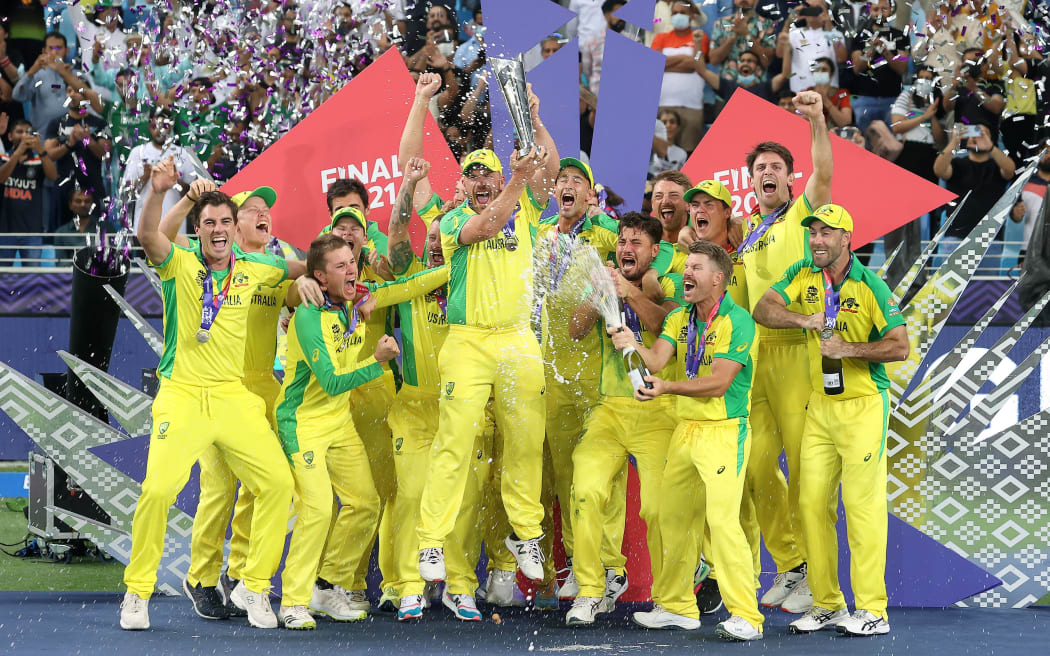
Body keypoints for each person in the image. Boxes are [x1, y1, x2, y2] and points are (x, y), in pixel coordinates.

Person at [121, 159, 295, 631]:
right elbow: (149, 236)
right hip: (182, 395)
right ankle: (137, 593)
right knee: (157, 490)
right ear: (197, 230)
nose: (218, 230)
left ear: (234, 230)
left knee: (279, 484)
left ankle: (254, 587)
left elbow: (302, 269)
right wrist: (167, 194)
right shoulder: (181, 265)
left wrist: (317, 279)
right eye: (209, 223)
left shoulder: (257, 271)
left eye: (225, 222)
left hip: (232, 397)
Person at [153, 182, 324, 621]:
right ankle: (202, 576)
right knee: (220, 487)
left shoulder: (271, 264)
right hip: (214, 385)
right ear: (230, 224)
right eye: (252, 209)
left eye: (268, 209)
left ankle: (244, 573)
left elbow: (296, 283)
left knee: (266, 485)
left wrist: (305, 276)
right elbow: (162, 239)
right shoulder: (205, 260)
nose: (264, 215)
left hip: (264, 384)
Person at [416, 88, 560, 585]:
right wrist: (517, 178)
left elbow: (551, 170)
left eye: (488, 174)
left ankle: (526, 534)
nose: (481, 181)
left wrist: (535, 122)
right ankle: (432, 541)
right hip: (468, 341)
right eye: (472, 175)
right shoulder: (455, 218)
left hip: (518, 338)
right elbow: (489, 223)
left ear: (498, 176)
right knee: (454, 441)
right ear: (463, 185)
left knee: (525, 439)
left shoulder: (531, 212)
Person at [753, 203, 909, 637]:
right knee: (810, 505)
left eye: (827, 233)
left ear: (847, 239)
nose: (817, 240)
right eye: (813, 232)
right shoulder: (803, 275)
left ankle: (873, 609)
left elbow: (900, 347)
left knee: (861, 509)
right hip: (819, 408)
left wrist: (850, 350)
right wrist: (804, 320)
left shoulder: (871, 285)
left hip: (862, 406)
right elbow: (763, 309)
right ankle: (828, 603)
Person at [616, 239, 763, 641]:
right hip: (685, 432)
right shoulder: (680, 317)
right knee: (671, 519)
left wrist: (665, 388)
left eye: (696, 268)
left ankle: (747, 615)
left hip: (723, 430)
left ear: (718, 279)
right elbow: (657, 360)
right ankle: (677, 606)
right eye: (687, 267)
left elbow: (718, 384)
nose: (687, 273)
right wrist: (632, 342)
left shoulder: (739, 321)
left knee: (721, 521)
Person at [736, 89, 833, 614]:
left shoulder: (800, 213)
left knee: (806, 473)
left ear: (789, 178)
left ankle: (822, 588)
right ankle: (791, 564)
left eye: (775, 167)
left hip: (798, 350)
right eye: (759, 169)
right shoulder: (749, 233)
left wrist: (817, 118)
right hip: (756, 359)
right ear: (751, 180)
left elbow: (824, 170)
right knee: (752, 466)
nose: (766, 174)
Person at [274, 234, 401, 630]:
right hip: (303, 422)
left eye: (352, 261)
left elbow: (397, 284)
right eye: (341, 266)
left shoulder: (353, 298)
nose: (351, 269)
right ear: (319, 277)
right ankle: (293, 601)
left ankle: (327, 584)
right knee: (316, 510)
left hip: (338, 420)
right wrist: (378, 362)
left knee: (365, 503)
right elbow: (329, 381)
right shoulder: (310, 314)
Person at [384, 157, 489, 622]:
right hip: (414, 407)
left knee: (465, 498)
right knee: (411, 496)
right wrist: (408, 185)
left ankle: (460, 583)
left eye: (440, 240)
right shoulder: (407, 278)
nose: (432, 245)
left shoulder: (475, 279)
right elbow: (399, 229)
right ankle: (409, 584)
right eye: (427, 238)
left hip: (463, 405)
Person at [564, 212, 681, 626]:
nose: (626, 249)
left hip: (658, 412)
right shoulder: (607, 280)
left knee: (658, 508)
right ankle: (591, 590)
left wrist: (628, 292)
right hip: (610, 409)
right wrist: (598, 297)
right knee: (585, 491)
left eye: (636, 244)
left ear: (654, 250)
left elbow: (666, 323)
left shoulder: (668, 284)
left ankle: (669, 600)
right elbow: (576, 330)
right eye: (622, 242)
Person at [534, 157, 627, 604]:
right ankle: (577, 562)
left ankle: (612, 567)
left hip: (596, 377)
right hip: (553, 375)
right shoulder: (542, 238)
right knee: (567, 477)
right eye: (562, 179)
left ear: (591, 195)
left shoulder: (605, 235)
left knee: (601, 477)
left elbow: (636, 251)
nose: (567, 185)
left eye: (578, 181)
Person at [933, 122, 1015, 261]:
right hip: (956, 237)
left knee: (987, 283)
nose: (976, 137)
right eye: (973, 133)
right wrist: (954, 141)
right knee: (950, 283)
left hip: (989, 238)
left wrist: (990, 147)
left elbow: (1010, 170)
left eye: (981, 134)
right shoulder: (957, 164)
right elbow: (939, 170)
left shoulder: (997, 166)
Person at [122, 109, 197, 230]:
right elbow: (127, 194)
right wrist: (145, 177)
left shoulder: (183, 154)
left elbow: (193, 195)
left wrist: (176, 179)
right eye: (154, 126)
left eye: (164, 126)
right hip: (144, 228)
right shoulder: (138, 152)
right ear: (148, 127)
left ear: (171, 126)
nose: (159, 130)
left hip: (175, 229)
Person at [43, 76, 110, 208]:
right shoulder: (56, 123)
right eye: (69, 91)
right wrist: (70, 143)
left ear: (87, 96)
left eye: (77, 91)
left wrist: (88, 140)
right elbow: (49, 154)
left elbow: (106, 155)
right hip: (65, 186)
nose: (72, 95)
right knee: (62, 228)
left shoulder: (100, 123)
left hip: (92, 187)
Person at [651, 1, 708, 152]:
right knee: (663, 155)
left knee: (690, 155)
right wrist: (684, 58)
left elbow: (696, 63)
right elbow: (655, 65)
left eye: (682, 13)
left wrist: (667, 62)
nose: (678, 16)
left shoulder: (699, 38)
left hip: (692, 106)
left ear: (691, 15)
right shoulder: (660, 38)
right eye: (675, 13)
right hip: (663, 105)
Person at [0, 119, 57, 265]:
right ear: (10, 136)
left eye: (28, 132)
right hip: (5, 230)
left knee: (32, 276)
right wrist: (17, 153)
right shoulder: (3, 157)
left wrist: (40, 150)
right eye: (20, 132)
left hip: (32, 231)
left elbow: (53, 176)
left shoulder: (39, 159)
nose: (25, 135)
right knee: (3, 274)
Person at [847, 0, 909, 134]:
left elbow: (902, 68)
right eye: (876, 9)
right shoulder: (859, 36)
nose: (880, 13)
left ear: (891, 11)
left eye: (884, 9)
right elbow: (857, 68)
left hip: (892, 100)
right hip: (865, 99)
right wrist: (871, 49)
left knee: (892, 146)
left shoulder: (900, 36)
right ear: (870, 11)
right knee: (863, 145)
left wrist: (886, 51)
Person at [780, 0, 846, 94]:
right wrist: (789, 21)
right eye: (808, 8)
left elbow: (842, 58)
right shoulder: (794, 34)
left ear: (825, 11)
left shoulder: (835, 34)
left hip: (829, 93)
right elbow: (779, 53)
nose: (812, 11)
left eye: (817, 8)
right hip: (799, 91)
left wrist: (828, 24)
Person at [709, 0, 777, 79]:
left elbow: (766, 61)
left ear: (756, 1)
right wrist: (733, 37)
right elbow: (714, 60)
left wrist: (746, 34)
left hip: (756, 85)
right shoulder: (721, 23)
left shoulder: (767, 24)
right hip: (727, 85)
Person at [694, 49, 788, 104]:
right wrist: (698, 45)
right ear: (737, 66)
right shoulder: (727, 86)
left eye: (750, 61)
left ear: (758, 68)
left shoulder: (766, 88)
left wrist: (787, 49)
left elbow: (785, 74)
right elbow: (701, 70)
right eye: (742, 61)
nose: (745, 63)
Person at [807, 57, 851, 128]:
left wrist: (825, 100)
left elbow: (846, 123)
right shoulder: (805, 93)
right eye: (817, 69)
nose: (820, 72)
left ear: (831, 73)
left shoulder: (842, 94)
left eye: (824, 70)